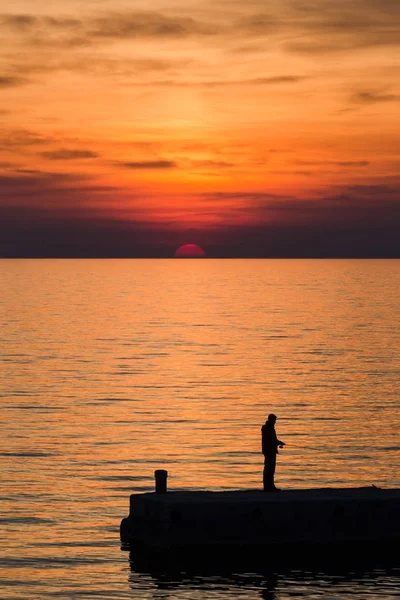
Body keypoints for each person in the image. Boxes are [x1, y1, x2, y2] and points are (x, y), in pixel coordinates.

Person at [261, 414, 285, 491]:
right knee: (270, 469)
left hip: (269, 450)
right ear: (270, 420)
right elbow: (271, 440)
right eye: (274, 420)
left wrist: (278, 442)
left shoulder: (268, 428)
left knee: (269, 469)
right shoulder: (268, 428)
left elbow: (272, 440)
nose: (275, 422)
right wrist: (279, 442)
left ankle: (269, 486)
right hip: (269, 451)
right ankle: (269, 487)